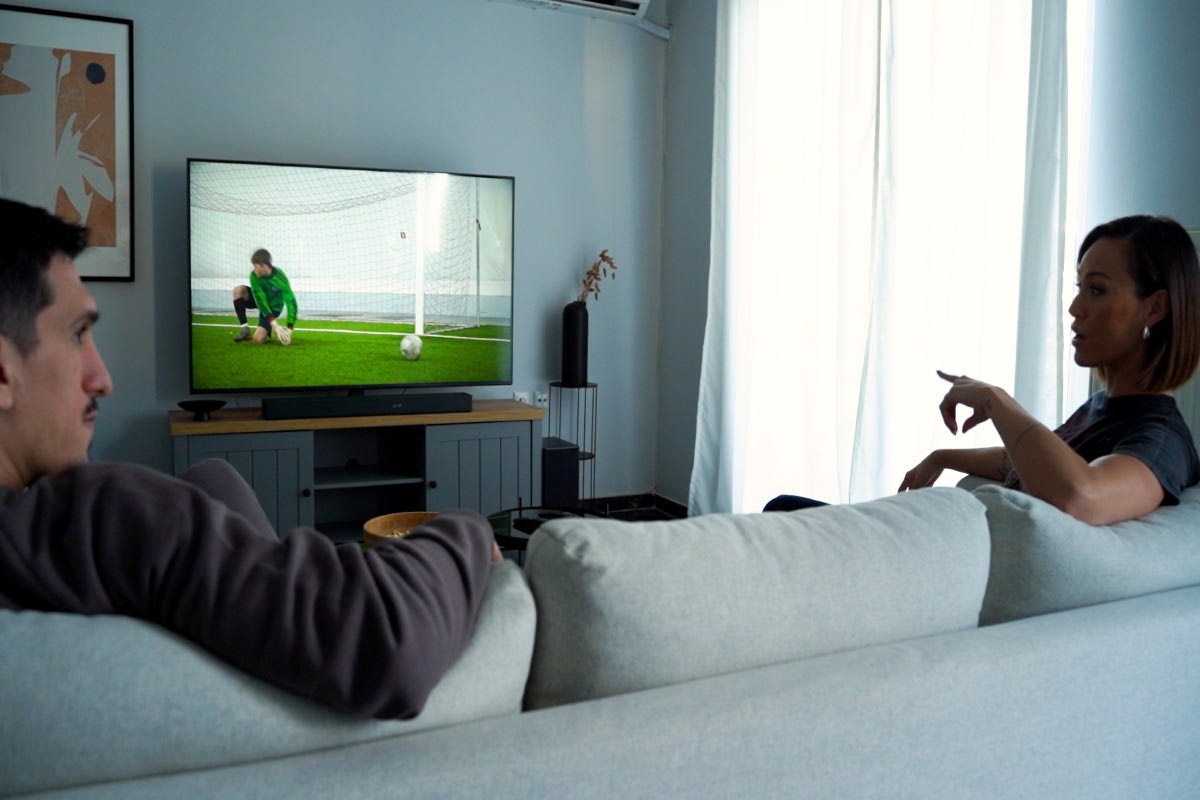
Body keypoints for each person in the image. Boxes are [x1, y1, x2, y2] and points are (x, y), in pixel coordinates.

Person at [0, 198, 501, 719]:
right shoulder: (103, 516)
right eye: (77, 334)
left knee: (212, 473)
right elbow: (386, 644)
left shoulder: (32, 541)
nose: (103, 378)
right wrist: (464, 530)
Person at [772, 215, 1200, 527]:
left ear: (1155, 308)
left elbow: (1081, 495)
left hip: (944, 572)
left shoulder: (1159, 442)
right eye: (1079, 288)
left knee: (784, 517)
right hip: (941, 543)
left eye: (1097, 290)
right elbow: (1033, 464)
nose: (1075, 308)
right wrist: (944, 456)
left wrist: (996, 401)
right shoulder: (1104, 409)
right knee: (784, 510)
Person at [232, 247, 297, 344]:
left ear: (264, 266)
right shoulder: (253, 275)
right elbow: (259, 298)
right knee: (238, 290)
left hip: (273, 307)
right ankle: (245, 329)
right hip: (259, 301)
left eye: (256, 267)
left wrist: (290, 327)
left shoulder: (279, 277)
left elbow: (290, 301)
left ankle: (267, 329)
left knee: (258, 340)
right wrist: (273, 322)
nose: (254, 270)